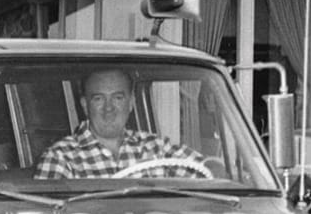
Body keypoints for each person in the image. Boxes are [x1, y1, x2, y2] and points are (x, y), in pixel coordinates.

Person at [34, 69, 203, 179]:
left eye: (118, 98)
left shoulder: (156, 147)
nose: (109, 108)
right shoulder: (60, 157)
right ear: (85, 105)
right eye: (99, 99)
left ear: (130, 103)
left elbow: (207, 171)